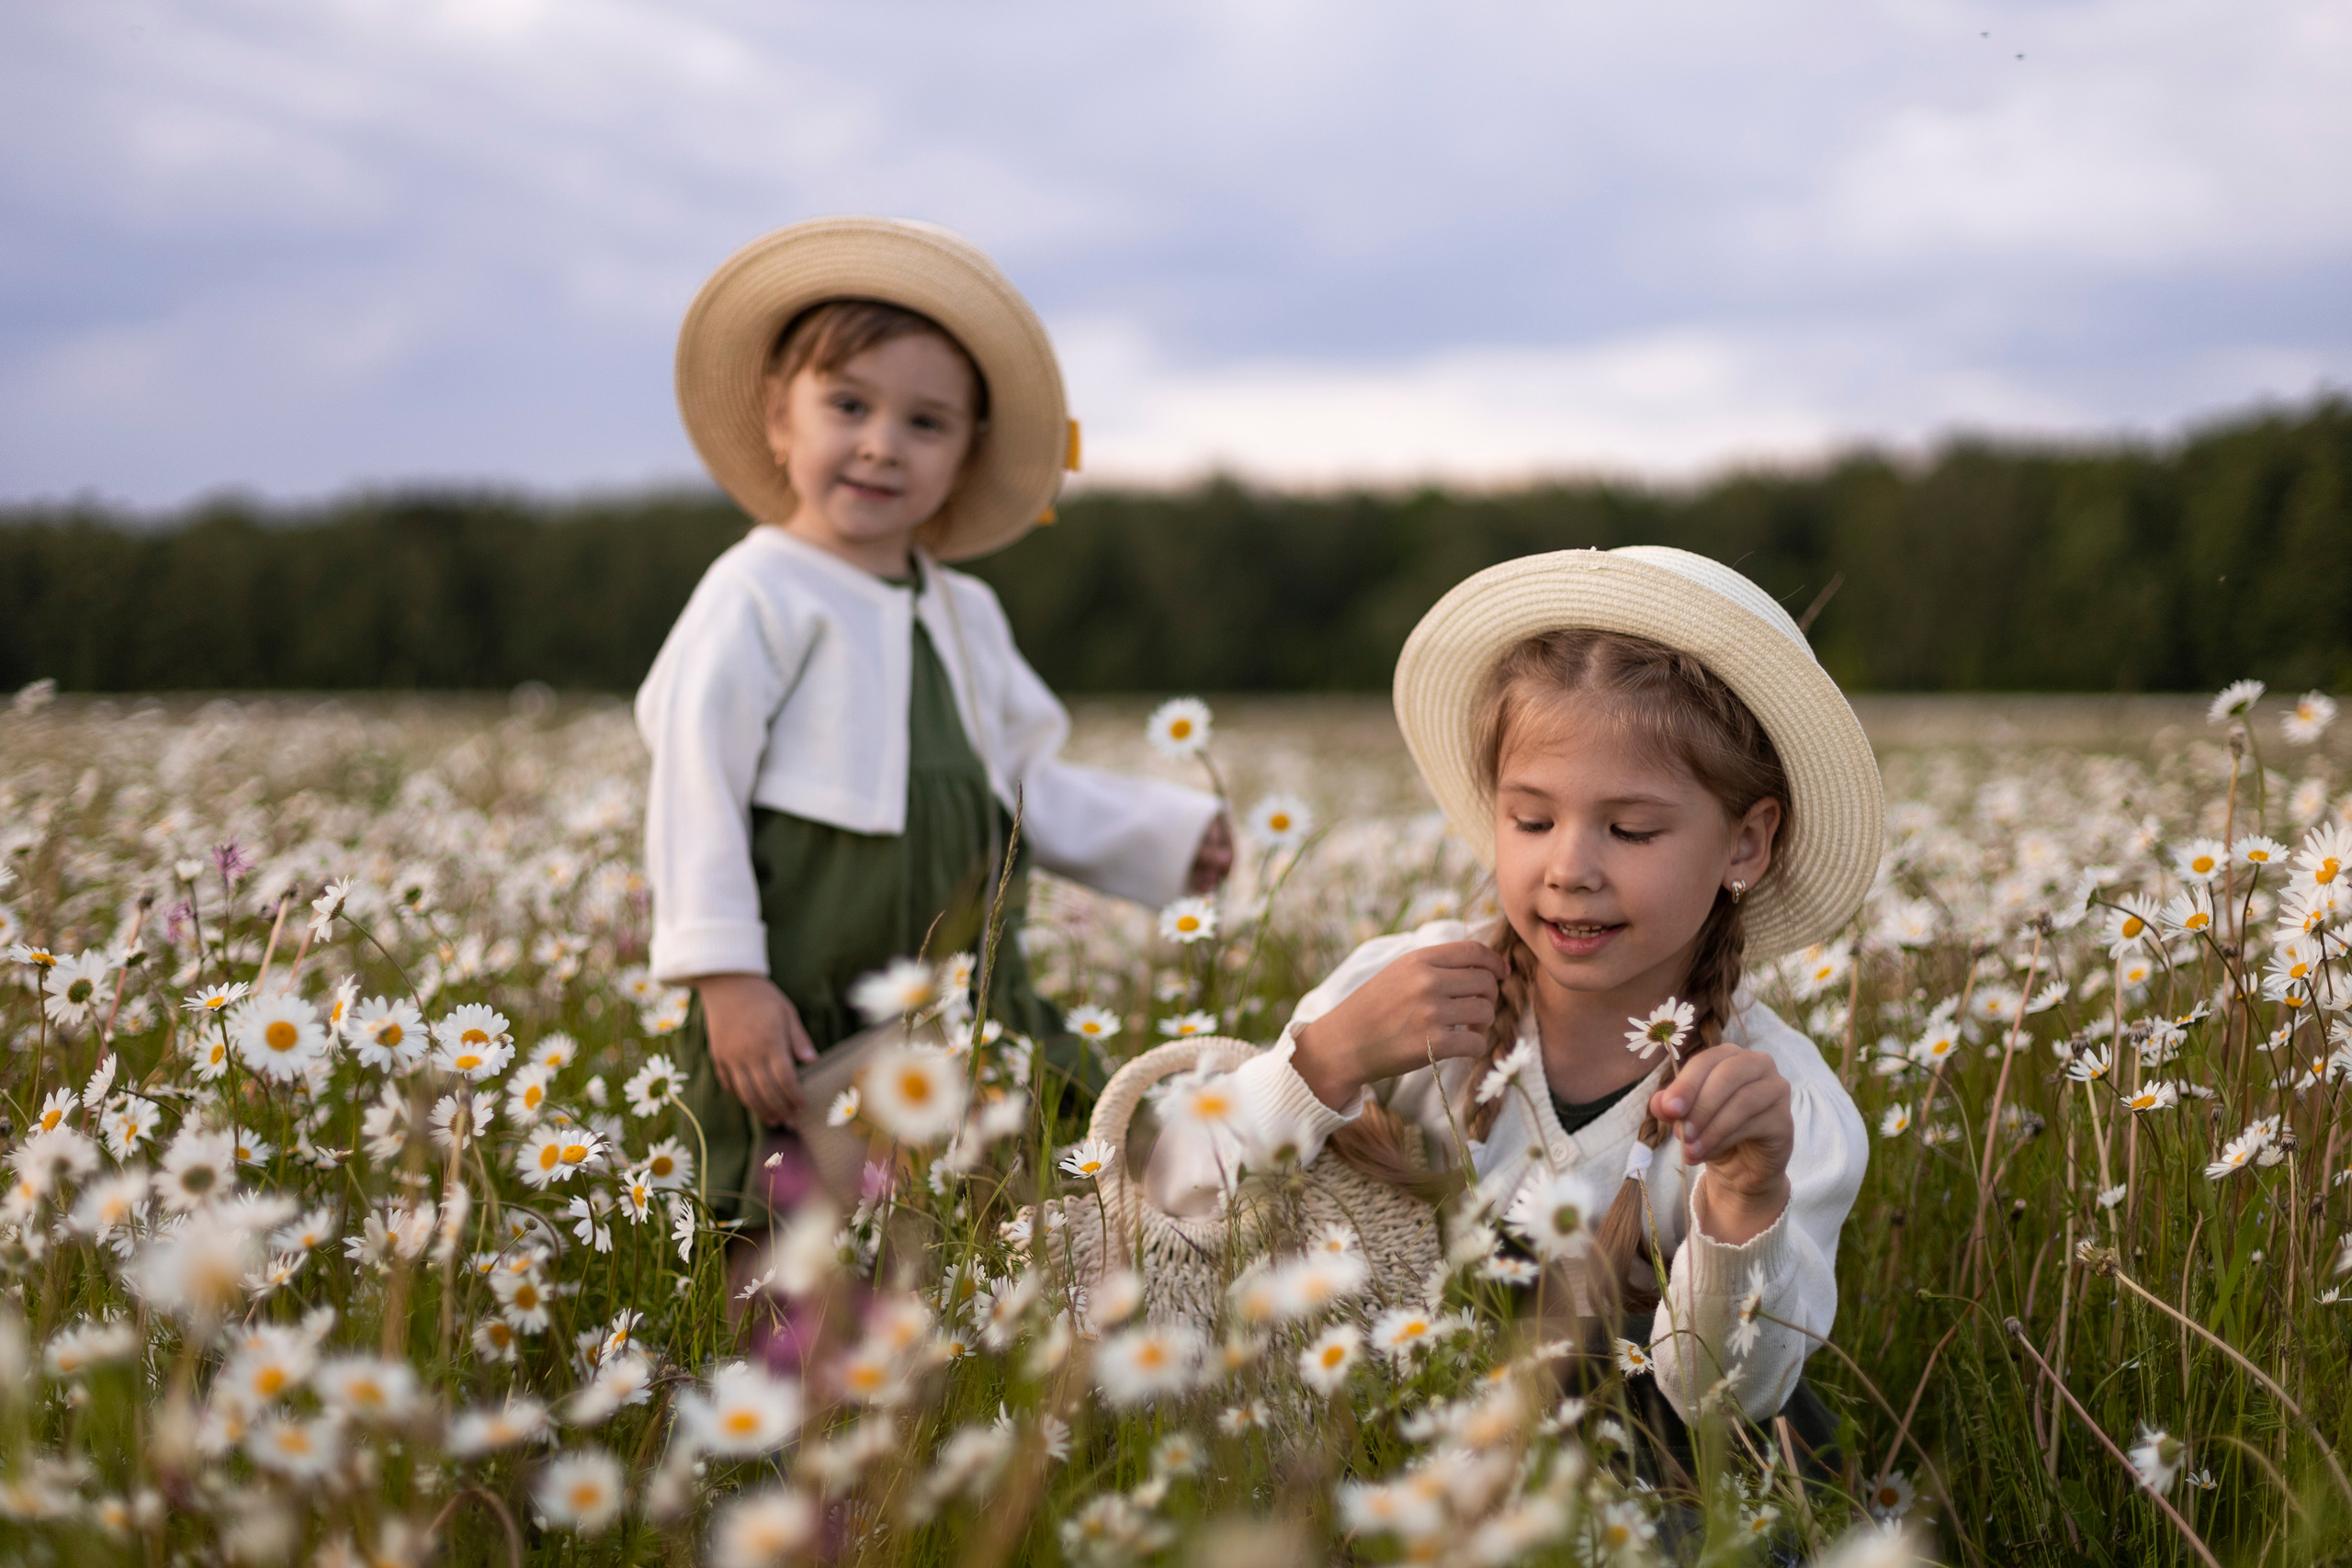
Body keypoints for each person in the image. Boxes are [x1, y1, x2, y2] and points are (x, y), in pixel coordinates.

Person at [1146, 545, 1880, 1446]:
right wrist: (1325, 1061)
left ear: (1745, 844)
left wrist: (1744, 1198)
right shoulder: (1403, 998)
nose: (1569, 869)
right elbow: (1173, 1193)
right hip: (1381, 1447)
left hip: (1637, 1484)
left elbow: (1726, 1402)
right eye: (1531, 820)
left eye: (1631, 829)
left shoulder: (1777, 1104)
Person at [639, 216, 1230, 1224]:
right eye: (848, 405)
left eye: (925, 423)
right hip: (804, 984)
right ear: (780, 420)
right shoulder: (756, 591)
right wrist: (727, 976)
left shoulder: (966, 610)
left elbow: (1025, 778)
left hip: (964, 981)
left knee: (1027, 1165)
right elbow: (695, 779)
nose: (879, 444)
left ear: (964, 456)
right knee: (788, 1211)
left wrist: (1164, 835)